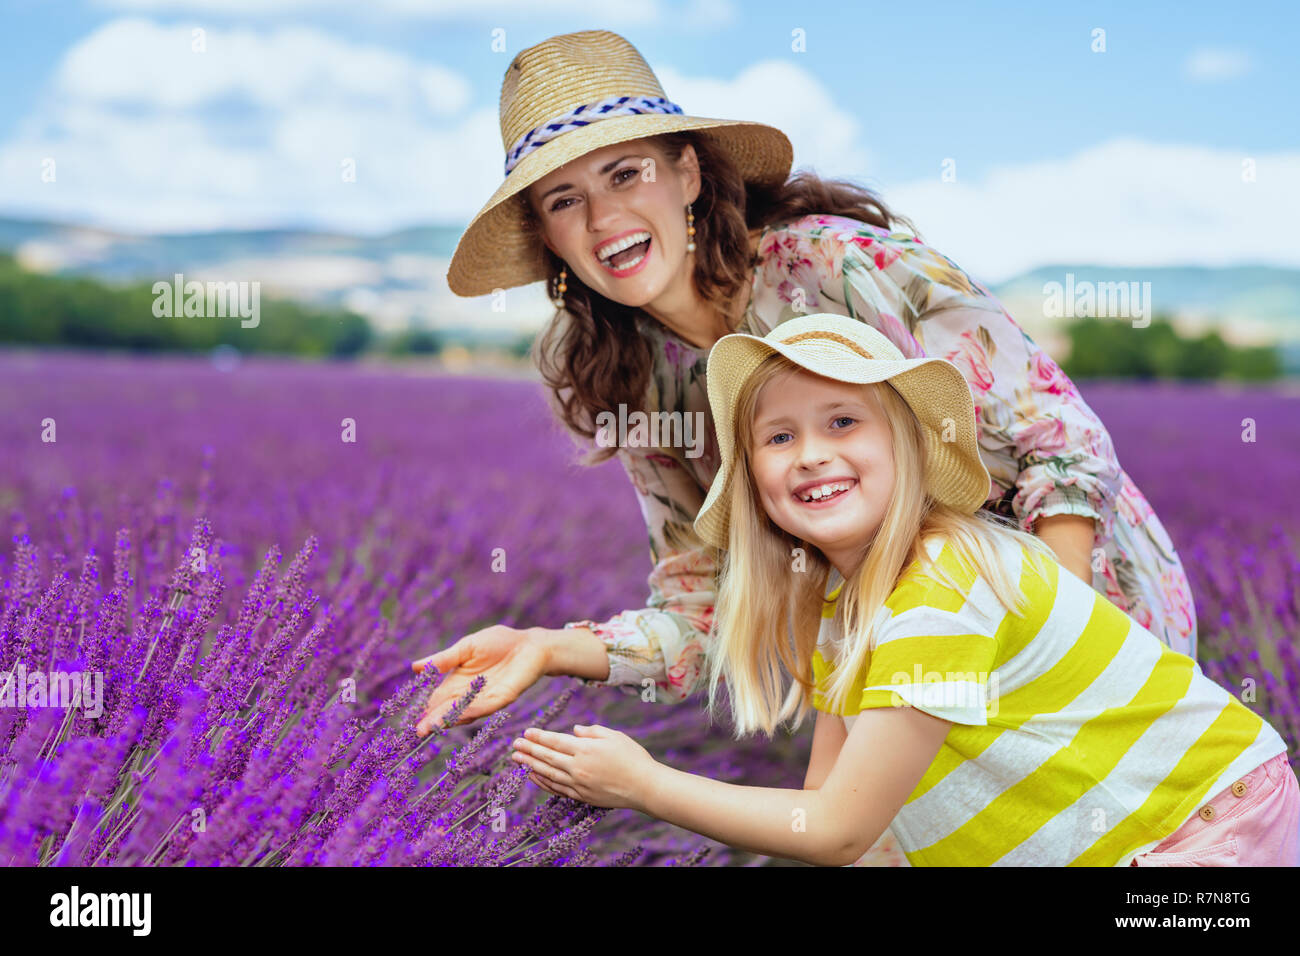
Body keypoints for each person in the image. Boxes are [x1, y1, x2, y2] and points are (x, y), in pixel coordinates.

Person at [418, 27, 1198, 861]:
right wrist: (550, 648)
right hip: (890, 661)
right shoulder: (638, 381)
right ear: (551, 240)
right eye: (564, 200)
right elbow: (706, 601)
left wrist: (1051, 642)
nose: (604, 217)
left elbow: (1058, 441)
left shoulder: (835, 266)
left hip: (1069, 610)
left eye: (625, 173)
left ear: (687, 173)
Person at [506, 312, 1298, 867]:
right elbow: (825, 802)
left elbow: (837, 830)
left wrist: (645, 785)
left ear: (909, 449)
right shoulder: (835, 609)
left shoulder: (944, 587)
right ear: (753, 483)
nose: (811, 453)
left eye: (843, 422)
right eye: (779, 438)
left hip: (1204, 835)